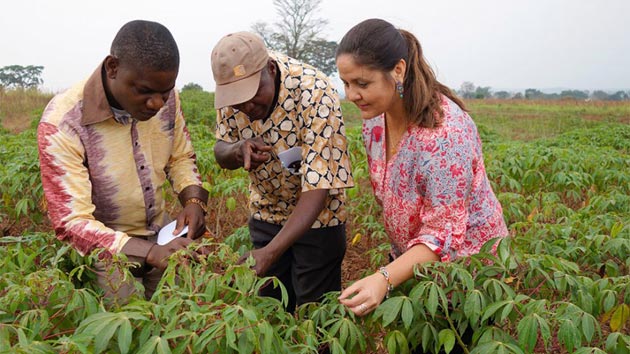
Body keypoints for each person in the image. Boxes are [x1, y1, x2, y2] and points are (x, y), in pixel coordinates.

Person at [336, 18, 508, 320]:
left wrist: (384, 278)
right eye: (346, 83)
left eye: (362, 84)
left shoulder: (444, 135)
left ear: (398, 70)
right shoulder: (375, 121)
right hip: (414, 265)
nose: (351, 95)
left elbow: (442, 235)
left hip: (466, 275)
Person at [37, 20, 209, 301]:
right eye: (144, 91)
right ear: (112, 68)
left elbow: (181, 157)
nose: (156, 104)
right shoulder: (63, 122)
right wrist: (148, 252)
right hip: (105, 248)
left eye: (164, 92)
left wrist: (193, 201)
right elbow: (72, 221)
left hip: (162, 232)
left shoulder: (168, 100)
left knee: (174, 323)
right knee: (127, 329)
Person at [211, 32, 354, 312]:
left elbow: (318, 187)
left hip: (320, 220)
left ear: (271, 70)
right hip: (267, 214)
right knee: (271, 314)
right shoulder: (233, 98)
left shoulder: (315, 91)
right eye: (238, 102)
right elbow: (220, 148)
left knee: (316, 318)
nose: (247, 107)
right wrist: (237, 150)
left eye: (252, 96)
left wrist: (270, 253)